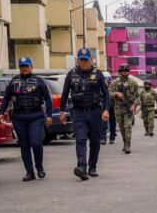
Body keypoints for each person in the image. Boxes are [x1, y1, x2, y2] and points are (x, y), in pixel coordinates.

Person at [0, 56, 53, 182]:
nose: (24, 68)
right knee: (24, 145)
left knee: (36, 143)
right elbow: (6, 98)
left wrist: (49, 115)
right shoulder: (14, 82)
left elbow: (48, 98)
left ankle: (39, 167)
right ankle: (29, 172)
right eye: (22, 66)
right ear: (19, 68)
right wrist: (1, 112)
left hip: (36, 116)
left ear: (31, 67)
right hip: (19, 118)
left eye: (26, 66)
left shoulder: (39, 81)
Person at [60, 48, 111, 180]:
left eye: (86, 60)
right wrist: (61, 111)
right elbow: (65, 93)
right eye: (81, 60)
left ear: (91, 60)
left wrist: (106, 109)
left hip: (94, 112)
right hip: (78, 112)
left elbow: (106, 93)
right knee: (80, 140)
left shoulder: (98, 74)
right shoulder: (71, 74)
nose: (83, 62)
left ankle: (92, 167)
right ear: (77, 60)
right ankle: (82, 167)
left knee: (95, 141)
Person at [109, 63, 140, 154]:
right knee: (122, 127)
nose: (125, 72)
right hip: (118, 108)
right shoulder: (115, 82)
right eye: (123, 71)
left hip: (129, 108)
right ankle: (125, 142)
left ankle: (127, 145)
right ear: (120, 72)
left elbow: (138, 96)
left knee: (128, 127)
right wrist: (116, 94)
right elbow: (108, 92)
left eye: (126, 71)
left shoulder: (133, 83)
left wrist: (134, 105)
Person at [100, 72, 117, 145]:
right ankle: (103, 138)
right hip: (104, 106)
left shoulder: (113, 86)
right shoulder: (100, 87)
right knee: (103, 122)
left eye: (108, 80)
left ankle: (112, 137)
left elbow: (117, 95)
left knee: (112, 123)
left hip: (112, 106)